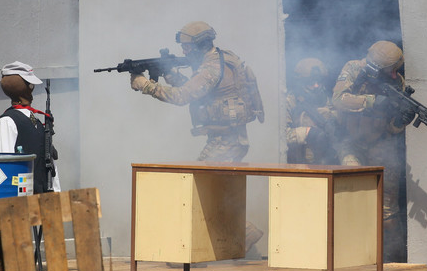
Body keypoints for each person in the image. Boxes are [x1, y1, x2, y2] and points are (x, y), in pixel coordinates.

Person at [129, 21, 265, 253]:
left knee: (201, 191)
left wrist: (145, 85)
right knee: (214, 194)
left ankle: (234, 236)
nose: (184, 51)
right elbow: (199, 92)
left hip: (226, 141)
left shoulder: (211, 68)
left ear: (201, 44)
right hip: (227, 138)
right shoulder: (221, 58)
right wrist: (171, 74)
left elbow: (183, 97)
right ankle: (228, 244)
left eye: (187, 47)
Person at [331, 41, 415, 262]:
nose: (395, 75)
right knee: (352, 197)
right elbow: (338, 100)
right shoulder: (353, 69)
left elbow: (391, 128)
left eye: (397, 70)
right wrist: (373, 101)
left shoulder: (398, 85)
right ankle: (349, 255)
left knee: (388, 211)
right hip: (351, 144)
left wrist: (401, 120)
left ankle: (393, 260)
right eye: (391, 70)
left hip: (380, 146)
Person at [0, 61, 60, 193]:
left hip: (43, 198)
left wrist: (56, 192)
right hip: (20, 201)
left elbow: (50, 164)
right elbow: (5, 164)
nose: (32, 89)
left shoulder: (37, 122)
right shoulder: (7, 121)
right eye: (30, 85)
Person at [285, 58, 340, 164]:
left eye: (319, 82)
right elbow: (281, 137)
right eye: (311, 82)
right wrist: (308, 133)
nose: (316, 86)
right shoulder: (290, 102)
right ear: (300, 83)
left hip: (325, 161)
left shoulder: (327, 100)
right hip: (300, 162)